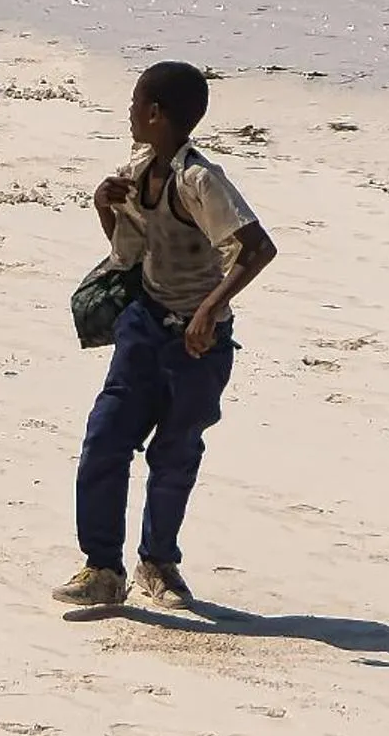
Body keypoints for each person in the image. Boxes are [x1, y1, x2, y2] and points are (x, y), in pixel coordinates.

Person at [53, 61, 279, 610]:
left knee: (175, 452)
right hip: (144, 324)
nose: (129, 112)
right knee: (106, 438)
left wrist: (208, 311)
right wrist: (105, 208)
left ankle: (158, 564)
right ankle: (103, 568)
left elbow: (257, 250)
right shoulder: (137, 170)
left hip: (197, 344)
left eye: (135, 104)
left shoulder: (200, 180)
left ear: (155, 114)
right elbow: (129, 251)